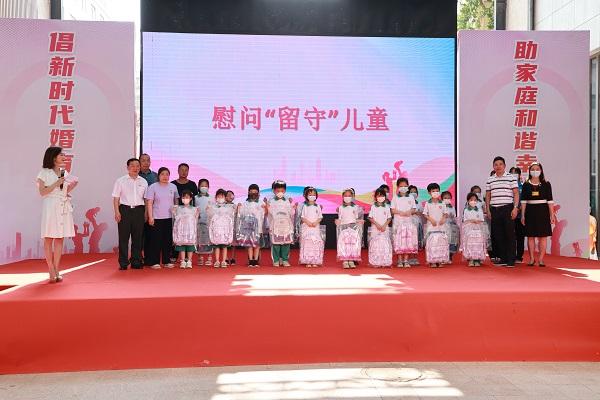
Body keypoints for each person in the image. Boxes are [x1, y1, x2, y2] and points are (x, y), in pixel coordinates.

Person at [37, 146, 77, 283]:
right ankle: (50, 269)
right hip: (50, 206)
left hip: (62, 205)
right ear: (54, 157)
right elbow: (42, 192)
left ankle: (56, 268)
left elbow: (63, 191)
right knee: (49, 238)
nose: (64, 157)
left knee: (60, 238)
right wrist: (56, 183)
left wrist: (71, 187)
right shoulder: (43, 172)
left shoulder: (64, 172)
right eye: (61, 155)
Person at [112, 158, 148, 270]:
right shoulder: (120, 181)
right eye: (132, 166)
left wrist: (146, 213)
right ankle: (123, 262)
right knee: (123, 238)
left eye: (137, 166)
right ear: (128, 167)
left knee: (138, 238)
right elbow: (116, 198)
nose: (135, 168)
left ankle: (136, 261)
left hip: (139, 210)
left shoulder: (143, 181)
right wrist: (117, 212)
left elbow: (146, 199)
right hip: (124, 210)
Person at [485, 156, 519, 267]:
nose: (498, 166)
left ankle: (511, 259)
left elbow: (516, 193)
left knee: (509, 234)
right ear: (493, 167)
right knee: (498, 235)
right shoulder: (490, 179)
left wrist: (515, 208)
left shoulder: (511, 177)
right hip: (495, 209)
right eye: (496, 164)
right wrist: (488, 209)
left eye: (500, 164)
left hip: (507, 208)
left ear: (504, 166)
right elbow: (488, 195)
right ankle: (503, 258)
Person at [520, 162, 555, 267]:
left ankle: (541, 259)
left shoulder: (546, 184)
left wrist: (552, 215)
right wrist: (523, 215)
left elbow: (550, 201)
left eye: (537, 169)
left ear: (541, 171)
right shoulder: (526, 184)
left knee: (543, 236)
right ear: (529, 171)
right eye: (533, 169)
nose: (535, 171)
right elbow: (523, 201)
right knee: (530, 236)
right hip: (530, 211)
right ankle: (531, 258)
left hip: (543, 212)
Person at [145, 167, 179, 268]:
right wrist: (150, 217)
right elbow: (149, 202)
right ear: (158, 176)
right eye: (162, 174)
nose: (165, 176)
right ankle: (154, 262)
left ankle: (166, 261)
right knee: (156, 240)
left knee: (167, 240)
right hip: (156, 217)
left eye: (167, 174)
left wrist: (176, 215)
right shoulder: (153, 187)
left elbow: (176, 201)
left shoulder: (173, 187)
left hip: (169, 217)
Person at [267, 180, 295, 267]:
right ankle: (276, 260)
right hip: (276, 225)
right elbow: (270, 213)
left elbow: (291, 213)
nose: (280, 192)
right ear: (274, 191)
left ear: (285, 191)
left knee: (286, 243)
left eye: (282, 191)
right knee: (276, 243)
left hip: (286, 225)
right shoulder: (271, 201)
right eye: (278, 190)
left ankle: (285, 259)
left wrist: (293, 206)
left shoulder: (287, 201)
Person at [236, 184, 266, 267]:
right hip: (248, 228)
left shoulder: (261, 202)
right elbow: (241, 214)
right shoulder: (245, 203)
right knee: (249, 244)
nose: (253, 193)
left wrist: (266, 207)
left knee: (257, 245)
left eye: (255, 192)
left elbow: (265, 213)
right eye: (251, 192)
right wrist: (239, 208)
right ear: (248, 192)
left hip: (258, 227)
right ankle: (250, 260)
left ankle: (256, 260)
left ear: (258, 193)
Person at [391, 178, 418, 267]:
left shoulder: (411, 197)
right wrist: (400, 212)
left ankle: (406, 260)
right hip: (398, 223)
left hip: (408, 222)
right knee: (399, 241)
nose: (403, 187)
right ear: (398, 187)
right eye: (401, 186)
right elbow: (392, 210)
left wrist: (409, 212)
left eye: (405, 186)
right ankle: (399, 260)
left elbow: (414, 209)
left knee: (407, 241)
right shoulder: (395, 197)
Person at [336, 189, 364, 268]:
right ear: (342, 197)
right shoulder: (340, 207)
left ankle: (351, 259)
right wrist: (337, 222)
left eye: (349, 196)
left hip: (353, 229)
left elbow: (356, 218)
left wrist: (360, 221)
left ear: (352, 197)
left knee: (352, 244)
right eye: (345, 196)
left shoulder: (355, 207)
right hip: (344, 229)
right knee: (344, 244)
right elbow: (340, 218)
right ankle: (345, 260)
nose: (347, 197)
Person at [207, 189, 236, 267]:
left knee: (224, 246)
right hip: (216, 230)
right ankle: (217, 261)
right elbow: (210, 218)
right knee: (216, 246)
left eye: (222, 196)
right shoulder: (213, 208)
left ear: (225, 198)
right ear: (216, 198)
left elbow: (231, 218)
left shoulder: (228, 208)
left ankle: (223, 261)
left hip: (224, 230)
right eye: (219, 196)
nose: (220, 198)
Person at [423, 183, 449, 267]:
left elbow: (445, 213)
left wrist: (443, 219)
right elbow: (425, 214)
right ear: (429, 193)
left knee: (441, 243)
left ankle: (440, 260)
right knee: (432, 244)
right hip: (431, 227)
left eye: (437, 191)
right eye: (433, 191)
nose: (435, 193)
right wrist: (431, 220)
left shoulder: (442, 203)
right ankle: (432, 261)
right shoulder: (428, 203)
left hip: (441, 227)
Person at [138, 153, 158, 266]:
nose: (146, 162)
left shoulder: (155, 176)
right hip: (139, 208)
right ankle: (138, 257)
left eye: (148, 160)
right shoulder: (136, 175)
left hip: (153, 209)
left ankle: (149, 257)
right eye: (143, 160)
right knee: (139, 234)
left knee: (150, 234)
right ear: (139, 162)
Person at [172, 190, 199, 269]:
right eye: (183, 197)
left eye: (187, 197)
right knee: (182, 245)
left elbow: (196, 219)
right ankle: (183, 261)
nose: (185, 199)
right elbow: (175, 218)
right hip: (181, 230)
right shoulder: (178, 208)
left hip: (190, 230)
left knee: (190, 245)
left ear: (191, 198)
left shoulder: (194, 209)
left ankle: (189, 261)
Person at [299, 187, 325, 268]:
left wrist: (316, 222)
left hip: (315, 228)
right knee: (307, 243)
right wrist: (308, 223)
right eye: (310, 194)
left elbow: (320, 217)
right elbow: (302, 217)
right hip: (307, 227)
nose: (312, 196)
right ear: (306, 196)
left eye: (314, 194)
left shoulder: (318, 206)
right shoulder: (305, 206)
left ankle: (315, 260)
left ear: (316, 196)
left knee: (315, 244)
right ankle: (307, 260)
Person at [368, 187, 393, 267]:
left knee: (385, 245)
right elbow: (370, 218)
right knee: (375, 245)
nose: (380, 197)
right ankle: (375, 262)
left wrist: (384, 225)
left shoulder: (387, 207)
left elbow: (389, 218)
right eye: (379, 196)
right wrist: (377, 225)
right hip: (375, 229)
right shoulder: (373, 207)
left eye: (382, 195)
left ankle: (385, 261)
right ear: (375, 197)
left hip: (385, 229)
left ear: (385, 197)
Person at [461, 193, 487, 267]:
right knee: (470, 244)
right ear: (468, 201)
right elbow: (465, 220)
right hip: (469, 229)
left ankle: (477, 259)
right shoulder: (466, 210)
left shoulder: (479, 210)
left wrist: (478, 221)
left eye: (475, 200)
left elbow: (482, 219)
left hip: (478, 229)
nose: (473, 201)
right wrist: (472, 220)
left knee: (478, 244)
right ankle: (471, 259)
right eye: (471, 200)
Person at [195, 178, 213, 266]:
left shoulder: (211, 197)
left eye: (206, 185)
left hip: (208, 222)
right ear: (199, 187)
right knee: (199, 239)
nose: (204, 187)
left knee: (209, 239)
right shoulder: (195, 198)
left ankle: (209, 257)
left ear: (208, 187)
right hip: (199, 221)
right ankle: (200, 257)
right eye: (202, 185)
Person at [510, 166, 525, 263]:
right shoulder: (507, 186)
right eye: (512, 173)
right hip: (509, 214)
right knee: (510, 236)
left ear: (519, 175)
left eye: (516, 173)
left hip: (520, 215)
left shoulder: (523, 186)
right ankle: (510, 255)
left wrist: (519, 209)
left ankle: (519, 256)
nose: (514, 175)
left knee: (520, 236)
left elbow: (525, 200)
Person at [407, 185, 424, 265]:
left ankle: (415, 257)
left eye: (415, 192)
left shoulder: (419, 203)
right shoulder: (407, 202)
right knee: (409, 241)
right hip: (409, 223)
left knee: (416, 241)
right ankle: (409, 257)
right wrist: (413, 212)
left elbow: (422, 212)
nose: (413, 193)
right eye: (411, 192)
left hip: (418, 223)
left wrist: (418, 212)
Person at [442, 191, 460, 263]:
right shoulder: (440, 206)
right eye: (445, 198)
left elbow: (454, 217)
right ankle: (443, 257)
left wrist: (452, 217)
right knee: (444, 241)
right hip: (443, 226)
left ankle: (450, 256)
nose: (447, 199)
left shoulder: (452, 207)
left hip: (451, 226)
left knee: (451, 241)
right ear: (442, 199)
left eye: (448, 198)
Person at [225, 190, 237, 265]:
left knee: (233, 244)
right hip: (225, 227)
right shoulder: (223, 206)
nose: (230, 196)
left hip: (233, 226)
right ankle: (225, 258)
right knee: (225, 243)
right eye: (228, 195)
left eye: (231, 195)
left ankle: (233, 258)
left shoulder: (235, 206)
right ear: (225, 197)